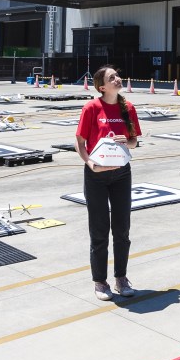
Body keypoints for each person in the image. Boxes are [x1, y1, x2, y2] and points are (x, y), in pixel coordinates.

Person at [75, 65, 142, 301]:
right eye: (111, 77)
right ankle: (100, 282)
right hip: (96, 176)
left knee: (122, 229)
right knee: (100, 231)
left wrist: (127, 141)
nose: (117, 79)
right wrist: (90, 164)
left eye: (118, 75)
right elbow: (80, 142)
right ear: (101, 86)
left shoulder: (128, 108)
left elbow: (134, 142)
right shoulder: (92, 107)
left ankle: (121, 278)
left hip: (122, 174)